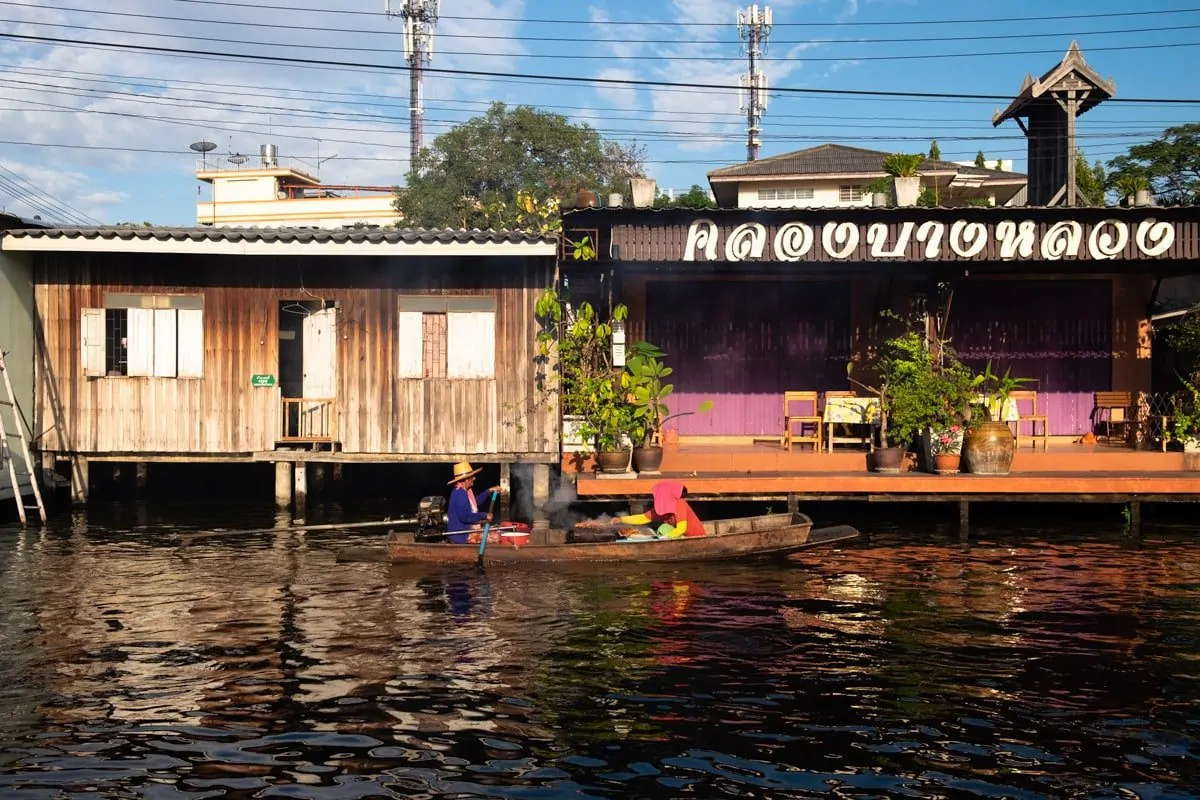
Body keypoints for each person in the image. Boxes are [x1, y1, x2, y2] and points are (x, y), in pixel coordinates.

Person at [618, 480, 707, 539]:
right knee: (663, 528)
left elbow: (681, 528)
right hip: (680, 536)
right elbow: (643, 518)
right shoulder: (660, 508)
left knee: (663, 528)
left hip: (694, 537)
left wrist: (666, 537)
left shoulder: (680, 503)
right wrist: (621, 519)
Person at [446, 461, 501, 543]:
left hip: (464, 530)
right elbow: (466, 517)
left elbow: (474, 503)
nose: (474, 478)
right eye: (472, 477)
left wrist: (489, 491)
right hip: (461, 535)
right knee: (496, 537)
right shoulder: (460, 494)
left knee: (493, 531)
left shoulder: (463, 491)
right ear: (466, 480)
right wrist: (484, 515)